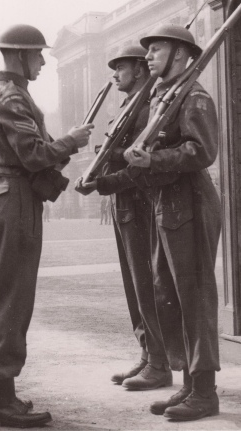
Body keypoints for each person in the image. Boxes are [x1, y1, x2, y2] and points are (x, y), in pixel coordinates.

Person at [0, 24, 93, 428]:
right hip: (15, 201)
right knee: (12, 299)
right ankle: (1, 402)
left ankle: (3, 393)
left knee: (6, 295)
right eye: (38, 55)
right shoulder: (11, 98)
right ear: (20, 57)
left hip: (7, 196)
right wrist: (72, 141)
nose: (43, 61)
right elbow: (34, 155)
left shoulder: (5, 95)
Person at [124, 24, 221, 421]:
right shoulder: (164, 96)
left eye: (156, 49)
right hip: (168, 203)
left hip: (192, 204)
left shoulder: (193, 95)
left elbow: (203, 151)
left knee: (195, 298)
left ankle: (205, 392)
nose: (147, 56)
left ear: (181, 54)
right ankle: (188, 383)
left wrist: (154, 159)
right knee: (169, 294)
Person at [76, 46, 172, 391]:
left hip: (140, 203)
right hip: (124, 205)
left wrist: (101, 181)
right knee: (134, 285)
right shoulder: (128, 107)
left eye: (122, 68)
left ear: (139, 72)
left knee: (147, 284)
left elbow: (137, 167)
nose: (115, 74)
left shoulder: (146, 110)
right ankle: (148, 354)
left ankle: (160, 364)